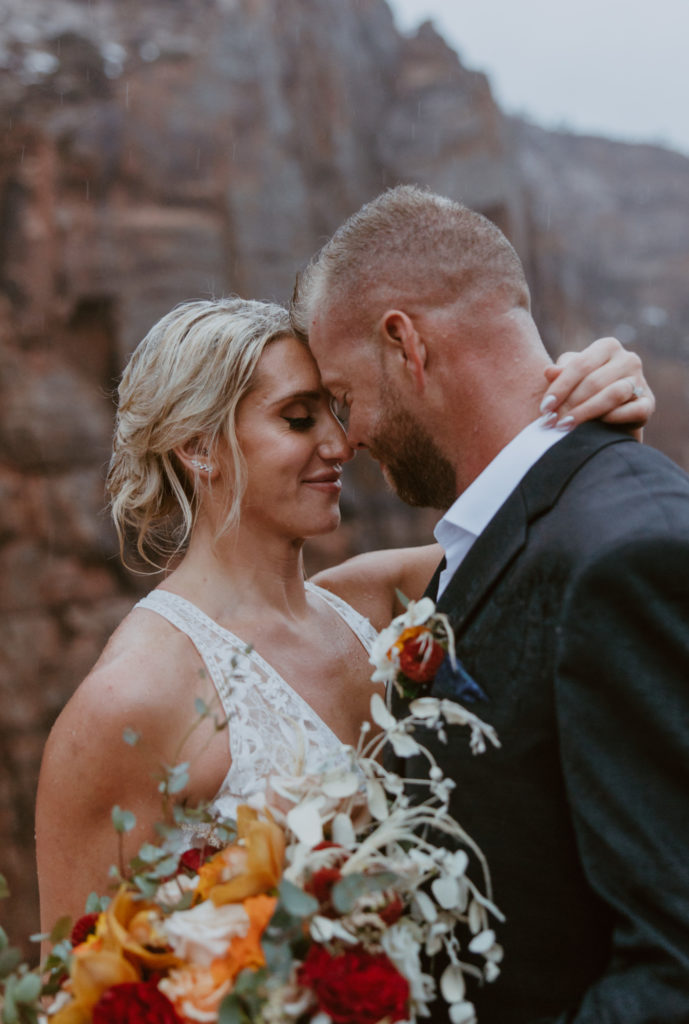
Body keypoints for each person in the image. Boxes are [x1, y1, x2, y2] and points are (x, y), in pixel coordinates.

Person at [35, 295, 650, 938]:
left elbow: (555, 535)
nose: (339, 442)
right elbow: (77, 986)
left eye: (335, 410)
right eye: (299, 419)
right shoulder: (131, 700)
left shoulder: (380, 604)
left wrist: (601, 417)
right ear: (199, 447)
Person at [290, 184, 689, 1023]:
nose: (346, 437)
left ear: (405, 344)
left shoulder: (624, 554)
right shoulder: (504, 538)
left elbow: (673, 968)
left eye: (341, 394)